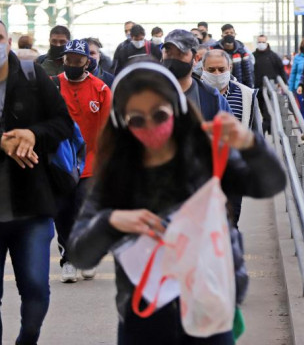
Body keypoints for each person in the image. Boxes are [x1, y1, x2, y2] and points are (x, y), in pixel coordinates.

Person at [67, 62, 286, 345]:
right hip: (144, 318)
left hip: (208, 307)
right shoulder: (117, 174)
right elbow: (79, 254)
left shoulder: (206, 156)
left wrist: (251, 145)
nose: (150, 126)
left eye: (159, 114)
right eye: (137, 119)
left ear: (177, 109)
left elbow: (269, 184)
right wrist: (110, 222)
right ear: (122, 122)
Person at [0, 20, 74, 344]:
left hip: (32, 206)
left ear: (9, 40)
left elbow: (63, 123)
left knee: (35, 288)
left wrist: (33, 133)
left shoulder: (32, 76)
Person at [54, 39, 112, 283]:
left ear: (88, 62)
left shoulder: (100, 89)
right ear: (63, 61)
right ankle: (68, 260)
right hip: (61, 162)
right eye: (69, 60)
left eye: (78, 61)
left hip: (91, 162)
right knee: (64, 212)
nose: (73, 64)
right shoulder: (53, 86)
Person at [200, 49, 262, 227]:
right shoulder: (193, 93)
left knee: (231, 219)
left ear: (230, 68)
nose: (217, 74)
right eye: (211, 70)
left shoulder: (247, 95)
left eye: (221, 69)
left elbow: (255, 131)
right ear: (202, 69)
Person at [161, 29, 231, 121]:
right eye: (168, 53)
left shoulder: (212, 97)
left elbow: (227, 132)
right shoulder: (150, 93)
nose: (173, 59)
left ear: (196, 58)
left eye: (180, 54)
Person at [253, 34, 286, 133]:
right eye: (259, 42)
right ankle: (269, 127)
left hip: (271, 88)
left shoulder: (273, 56)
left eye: (263, 42)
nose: (261, 44)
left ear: (267, 43)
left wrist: (283, 84)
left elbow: (281, 70)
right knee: (262, 109)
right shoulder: (253, 56)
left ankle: (265, 128)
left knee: (268, 110)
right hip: (257, 88)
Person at [289, 37, 304, 115]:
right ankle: (303, 126)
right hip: (299, 86)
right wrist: (290, 89)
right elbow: (293, 73)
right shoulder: (297, 57)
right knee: (302, 107)